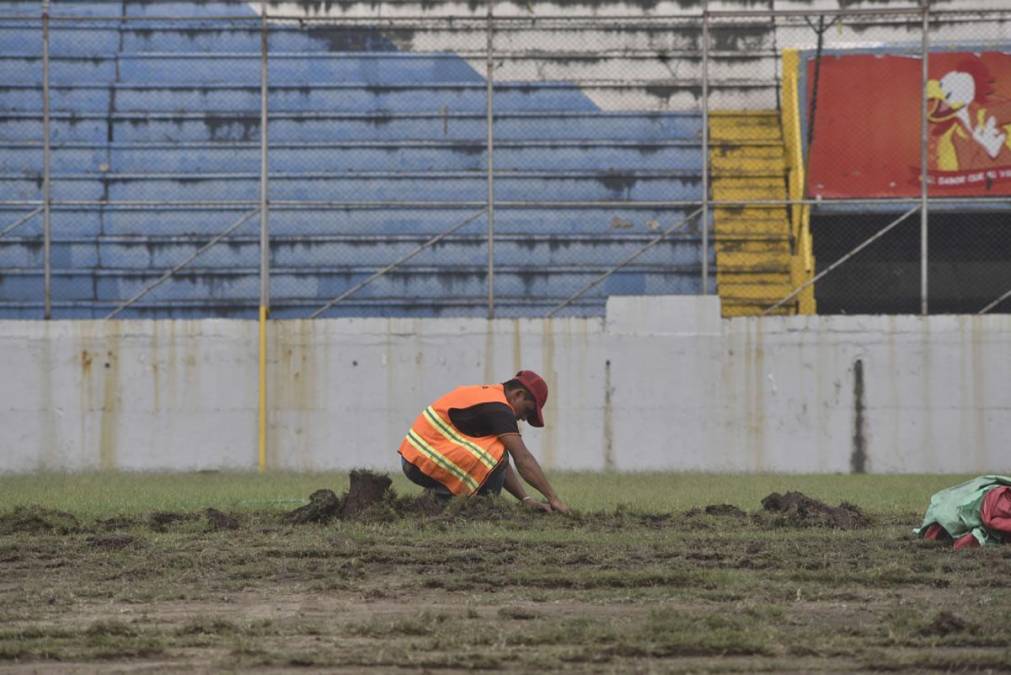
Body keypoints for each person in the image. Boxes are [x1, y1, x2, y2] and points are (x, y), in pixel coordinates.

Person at [398, 370, 569, 513]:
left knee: (496, 451)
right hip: (422, 459)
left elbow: (499, 462)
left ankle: (438, 499)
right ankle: (479, 510)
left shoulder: (487, 395)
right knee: (497, 452)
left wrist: (526, 499)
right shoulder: (499, 407)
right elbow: (522, 459)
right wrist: (554, 499)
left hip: (416, 458)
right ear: (518, 395)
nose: (524, 418)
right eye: (528, 410)